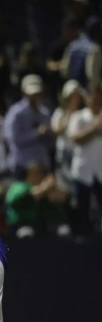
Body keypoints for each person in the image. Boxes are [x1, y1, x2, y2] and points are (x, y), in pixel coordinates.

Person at [67, 84, 102, 232]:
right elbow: (75, 139)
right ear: (88, 99)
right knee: (82, 212)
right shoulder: (78, 117)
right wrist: (95, 128)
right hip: (82, 171)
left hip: (100, 172)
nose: (96, 100)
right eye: (93, 97)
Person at [3, 74, 53, 178]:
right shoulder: (16, 113)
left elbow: (49, 144)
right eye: (32, 93)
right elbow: (14, 139)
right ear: (24, 92)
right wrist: (37, 133)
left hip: (42, 164)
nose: (35, 96)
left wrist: (50, 133)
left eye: (37, 93)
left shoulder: (45, 113)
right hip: (23, 165)